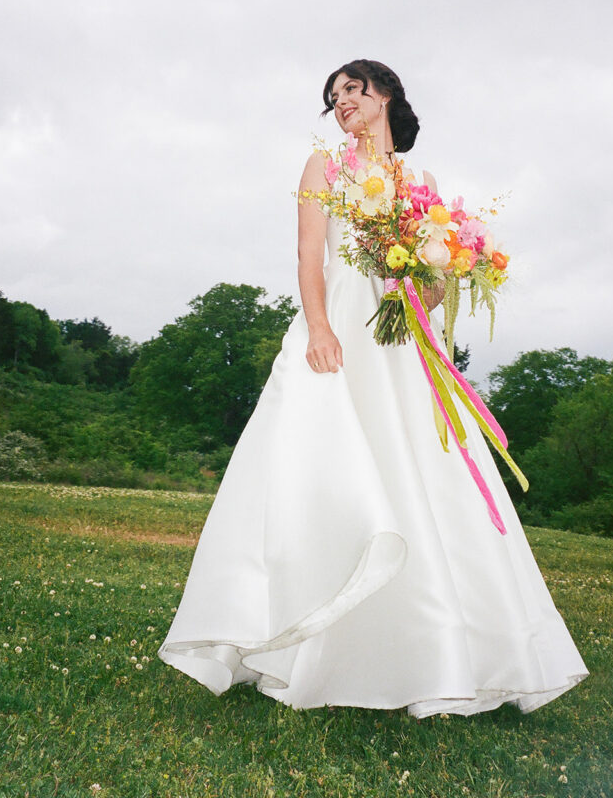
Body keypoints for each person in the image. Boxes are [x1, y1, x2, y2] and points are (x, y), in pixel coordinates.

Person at [158, 58, 590, 717]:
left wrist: (444, 267)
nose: (341, 105)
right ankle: (296, 632)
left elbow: (430, 285)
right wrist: (319, 328)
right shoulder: (322, 168)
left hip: (404, 345)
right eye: (333, 98)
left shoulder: (422, 182)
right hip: (341, 332)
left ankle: (432, 650)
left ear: (385, 94)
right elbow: (309, 255)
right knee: (320, 468)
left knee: (419, 473)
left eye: (352, 91)